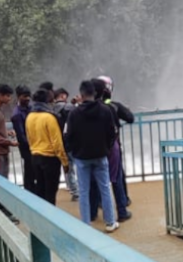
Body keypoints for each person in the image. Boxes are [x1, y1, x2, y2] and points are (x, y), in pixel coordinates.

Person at [66, 80, 118, 232]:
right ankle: (110, 222)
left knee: (83, 191)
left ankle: (86, 225)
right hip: (101, 155)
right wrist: (106, 148)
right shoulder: (105, 110)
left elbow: (69, 136)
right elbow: (112, 133)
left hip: (81, 158)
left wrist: (75, 151)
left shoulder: (74, 113)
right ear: (94, 94)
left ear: (81, 95)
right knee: (105, 188)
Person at [86, 77, 133, 222]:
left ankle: (92, 213)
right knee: (116, 179)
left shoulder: (83, 108)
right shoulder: (113, 107)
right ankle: (122, 211)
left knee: (94, 181)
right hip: (111, 148)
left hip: (91, 149)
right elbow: (130, 118)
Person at [26, 89, 69, 205]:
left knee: (40, 190)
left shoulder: (29, 116)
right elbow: (57, 143)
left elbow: (29, 138)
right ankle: (51, 218)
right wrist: (65, 162)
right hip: (50, 159)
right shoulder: (49, 118)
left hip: (35, 157)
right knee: (51, 192)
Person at [54, 87, 79, 202]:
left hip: (59, 143)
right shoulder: (69, 108)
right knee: (80, 165)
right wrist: (77, 103)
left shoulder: (52, 110)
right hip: (72, 142)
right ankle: (81, 189)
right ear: (62, 96)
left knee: (67, 167)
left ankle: (73, 190)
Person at [11, 85, 37, 194]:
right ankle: (29, 193)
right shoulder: (17, 114)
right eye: (24, 96)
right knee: (30, 170)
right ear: (18, 97)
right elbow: (21, 135)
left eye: (28, 96)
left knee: (34, 170)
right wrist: (32, 146)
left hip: (35, 145)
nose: (27, 99)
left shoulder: (31, 108)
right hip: (27, 147)